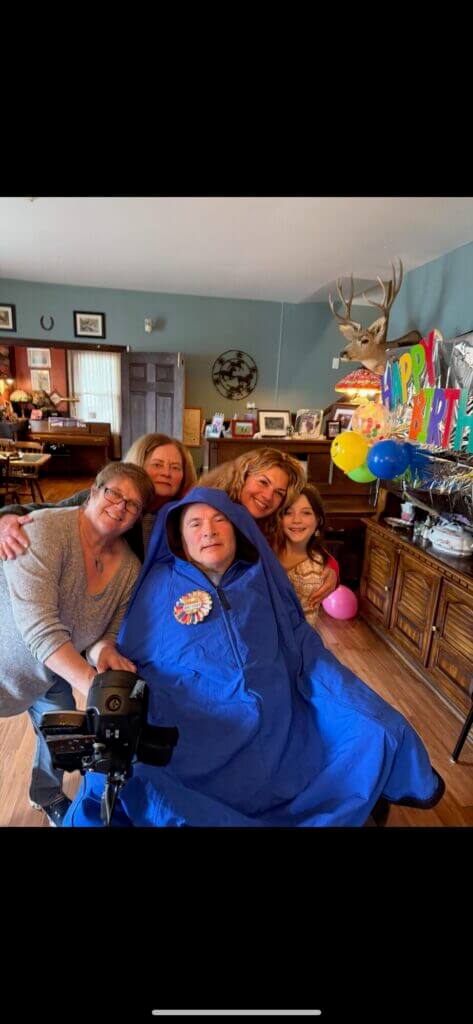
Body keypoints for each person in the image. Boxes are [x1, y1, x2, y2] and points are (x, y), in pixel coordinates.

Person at [63, 487, 443, 828]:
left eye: (219, 521)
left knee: (375, 726)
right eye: (195, 524)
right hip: (194, 724)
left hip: (278, 720)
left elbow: (301, 645)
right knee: (127, 778)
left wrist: (349, 695)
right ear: (180, 537)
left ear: (236, 530)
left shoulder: (260, 576)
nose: (208, 531)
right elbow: (130, 651)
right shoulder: (158, 583)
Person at [0, 462, 155, 826]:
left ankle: (47, 793)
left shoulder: (130, 568)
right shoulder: (43, 531)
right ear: (93, 491)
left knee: (60, 735)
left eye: (132, 505)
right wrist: (90, 684)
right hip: (8, 664)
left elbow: (107, 632)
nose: (120, 507)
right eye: (113, 494)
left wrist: (107, 652)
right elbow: (41, 628)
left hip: (47, 675)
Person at [0, 432, 197, 563]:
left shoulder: (185, 513)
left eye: (175, 467)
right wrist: (7, 517)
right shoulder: (107, 500)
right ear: (138, 465)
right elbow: (47, 511)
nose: (167, 473)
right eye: (157, 464)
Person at [200, 447, 339, 602]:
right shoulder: (208, 512)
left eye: (279, 493)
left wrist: (331, 566)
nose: (267, 496)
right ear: (243, 476)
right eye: (263, 482)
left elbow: (304, 544)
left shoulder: (270, 524)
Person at [278, 484, 329, 630]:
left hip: (298, 641)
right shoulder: (266, 550)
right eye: (288, 512)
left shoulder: (318, 567)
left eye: (306, 513)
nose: (296, 520)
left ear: (318, 519)